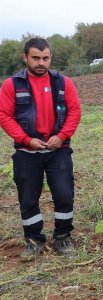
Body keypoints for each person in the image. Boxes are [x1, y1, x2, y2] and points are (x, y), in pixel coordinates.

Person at [0, 37, 82, 260]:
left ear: (50, 58)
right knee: (28, 198)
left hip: (58, 150)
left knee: (64, 194)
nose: (40, 63)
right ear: (25, 57)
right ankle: (34, 240)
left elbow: (74, 111)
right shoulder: (12, 85)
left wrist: (62, 136)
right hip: (27, 153)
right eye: (35, 58)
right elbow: (5, 116)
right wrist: (27, 140)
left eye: (45, 58)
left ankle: (63, 237)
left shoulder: (62, 83)